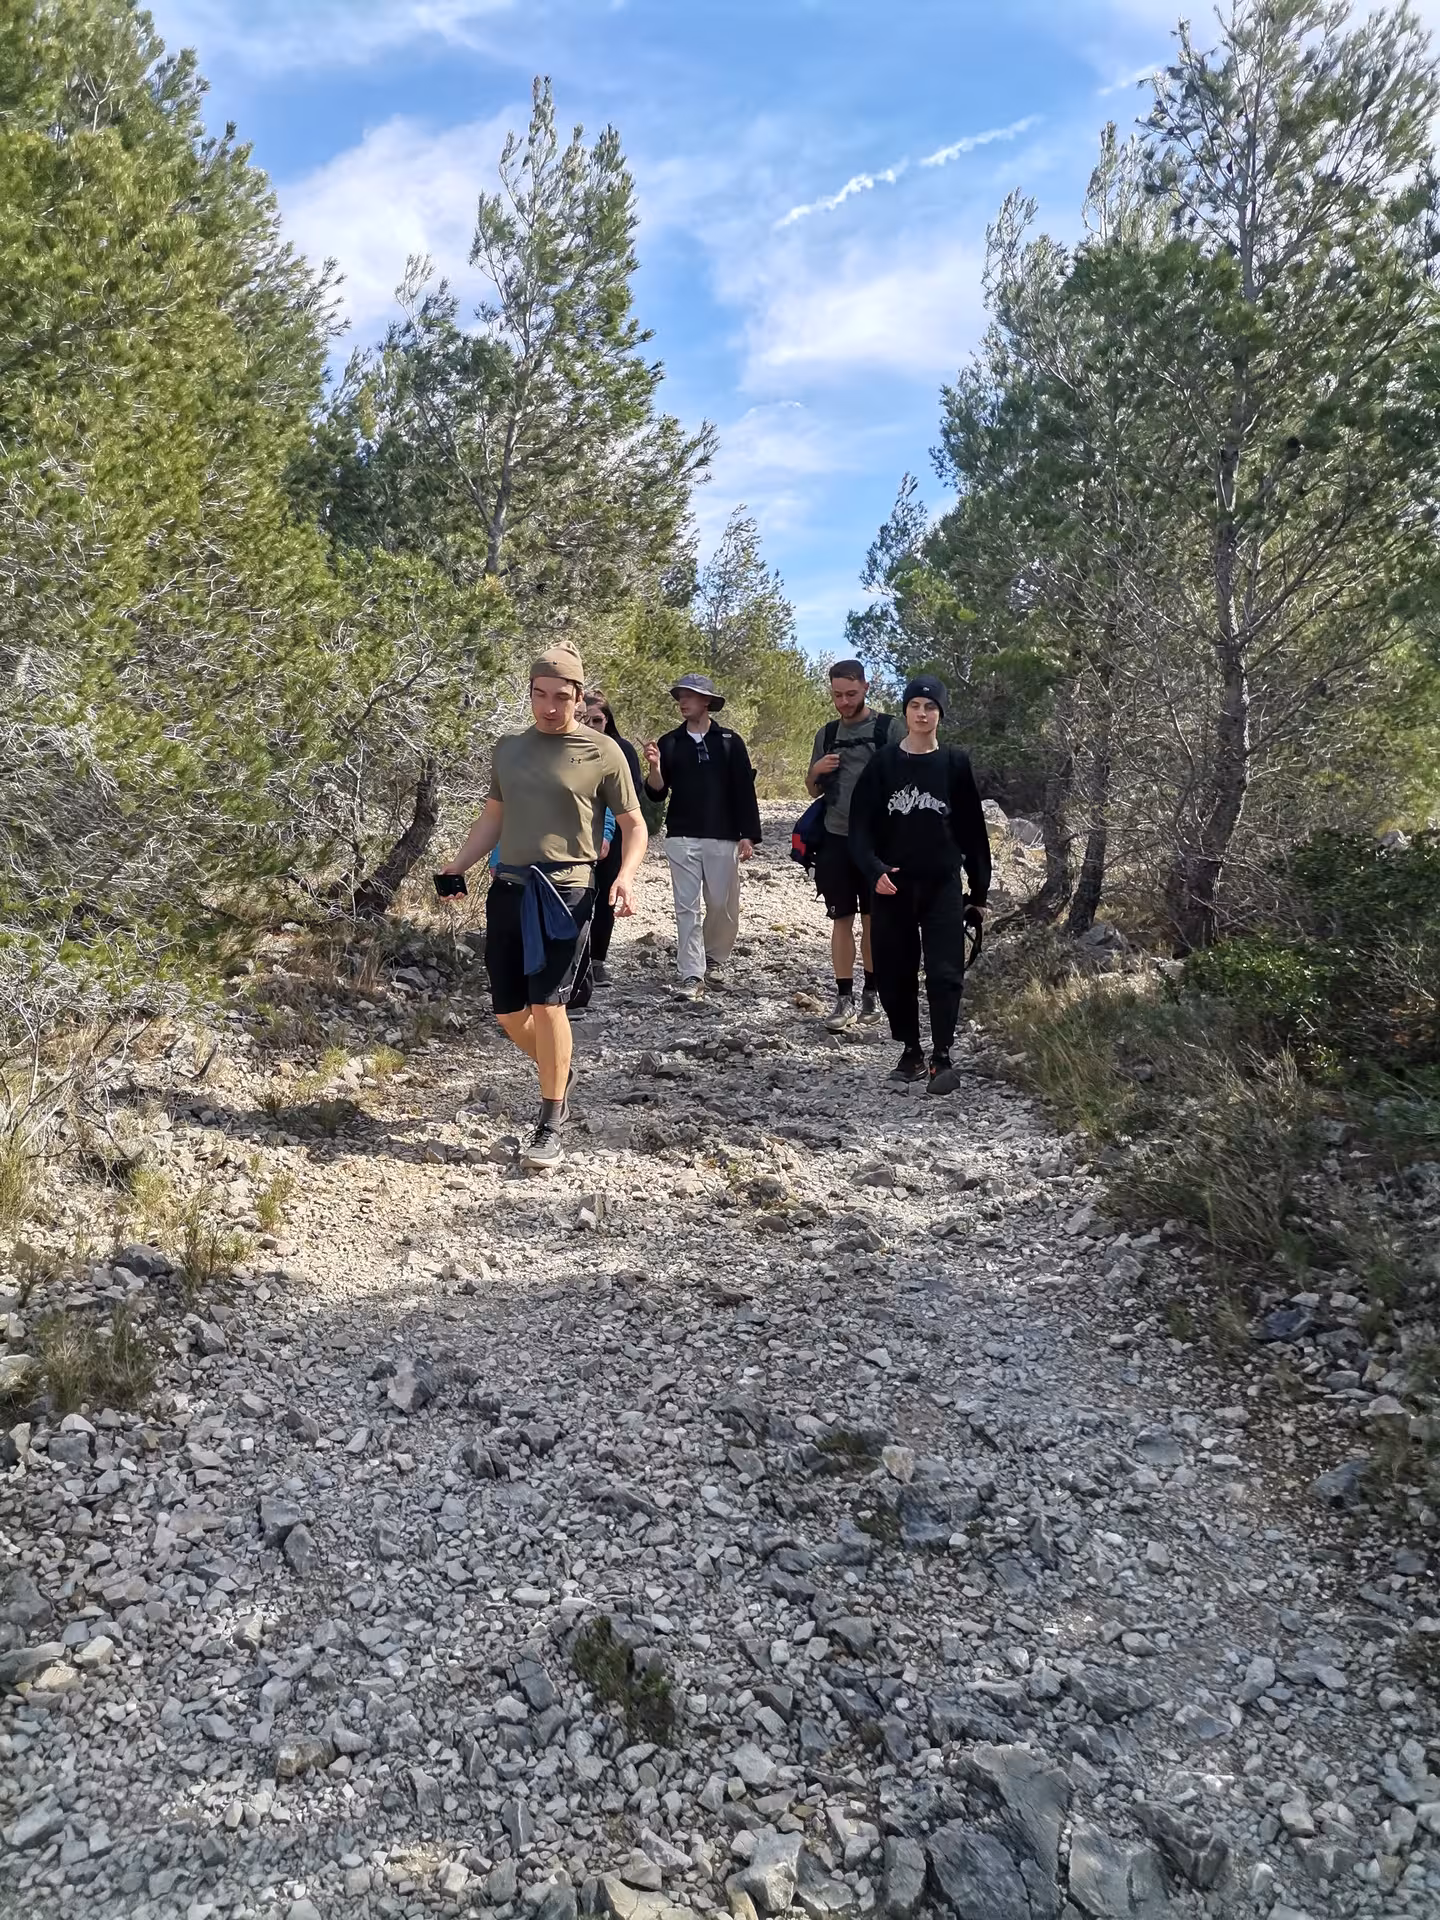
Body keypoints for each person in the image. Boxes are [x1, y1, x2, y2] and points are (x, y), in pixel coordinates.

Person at [436, 645, 647, 1168]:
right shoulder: (508, 749)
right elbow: (493, 819)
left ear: (577, 696)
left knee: (548, 1003)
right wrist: (456, 865)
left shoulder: (604, 751)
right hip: (508, 888)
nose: (550, 707)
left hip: (567, 891)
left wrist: (624, 876)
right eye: (540, 695)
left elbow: (634, 825)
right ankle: (561, 1067)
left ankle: (550, 1119)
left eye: (561, 697)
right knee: (509, 1012)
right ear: (529, 692)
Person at [848, 674, 991, 1096]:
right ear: (906, 712)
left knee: (946, 973)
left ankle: (942, 1056)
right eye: (915, 706)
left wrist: (978, 893)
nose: (922, 713)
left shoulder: (954, 764)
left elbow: (973, 833)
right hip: (893, 887)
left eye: (930, 708)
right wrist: (874, 871)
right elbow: (860, 829)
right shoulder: (883, 764)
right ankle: (910, 1051)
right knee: (895, 971)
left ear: (939, 715)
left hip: (943, 886)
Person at [643, 672, 761, 1001]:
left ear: (706, 702)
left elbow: (743, 790)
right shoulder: (669, 743)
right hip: (681, 835)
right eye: (680, 695)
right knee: (686, 907)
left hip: (723, 836)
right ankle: (691, 973)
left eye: (690, 696)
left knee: (722, 904)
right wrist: (654, 766)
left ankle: (713, 955)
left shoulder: (729, 742)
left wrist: (748, 834)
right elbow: (657, 793)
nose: (683, 701)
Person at [804, 659, 895, 1031]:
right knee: (841, 919)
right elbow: (811, 789)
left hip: (878, 843)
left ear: (866, 687)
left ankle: (873, 994)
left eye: (851, 694)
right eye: (837, 695)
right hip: (835, 838)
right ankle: (844, 998)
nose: (843, 702)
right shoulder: (825, 734)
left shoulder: (890, 728)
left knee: (874, 920)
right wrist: (816, 772)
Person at [582, 692, 644, 988]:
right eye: (586, 719)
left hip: (614, 833)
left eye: (598, 719)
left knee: (606, 895)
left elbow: (633, 796)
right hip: (576, 832)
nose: (592, 725)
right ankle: (576, 961)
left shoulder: (622, 749)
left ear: (608, 720)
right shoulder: (568, 746)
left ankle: (598, 961)